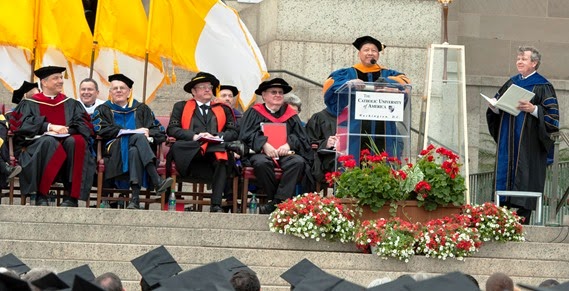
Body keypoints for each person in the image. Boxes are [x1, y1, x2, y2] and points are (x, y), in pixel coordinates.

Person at [486, 46, 559, 224]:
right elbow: (498, 104)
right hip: (507, 142)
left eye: (524, 59)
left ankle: (522, 218)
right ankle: (500, 217)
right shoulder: (510, 83)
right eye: (518, 58)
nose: (519, 61)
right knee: (504, 175)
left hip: (529, 144)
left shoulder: (544, 86)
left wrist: (534, 109)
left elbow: (553, 118)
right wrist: (494, 108)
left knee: (526, 175)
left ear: (534, 63)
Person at [9, 66, 95, 207]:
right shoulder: (29, 104)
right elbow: (18, 126)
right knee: (49, 141)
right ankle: (41, 194)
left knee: (77, 141)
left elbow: (84, 125)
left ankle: (71, 197)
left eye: (61, 77)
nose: (60, 81)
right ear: (44, 82)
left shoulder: (71, 103)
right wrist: (48, 127)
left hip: (67, 146)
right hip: (37, 148)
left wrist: (66, 130)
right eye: (56, 78)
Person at [92, 73, 173, 209]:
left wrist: (148, 131)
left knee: (134, 150)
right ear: (110, 92)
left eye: (122, 88)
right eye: (115, 88)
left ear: (129, 92)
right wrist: (126, 132)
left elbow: (159, 131)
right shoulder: (102, 109)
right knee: (138, 137)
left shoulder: (142, 109)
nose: (118, 91)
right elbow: (99, 129)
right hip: (114, 149)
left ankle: (134, 200)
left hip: (138, 151)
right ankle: (156, 180)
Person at [322, 35, 410, 158]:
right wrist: (348, 84)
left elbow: (405, 83)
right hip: (356, 127)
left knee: (383, 162)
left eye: (374, 50)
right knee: (355, 162)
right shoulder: (348, 73)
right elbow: (330, 85)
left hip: (384, 128)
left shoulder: (388, 73)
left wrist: (386, 82)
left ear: (378, 55)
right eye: (366, 50)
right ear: (359, 54)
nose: (370, 53)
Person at [166, 72, 239, 213]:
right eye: (202, 87)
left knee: (222, 157)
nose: (207, 90)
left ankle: (216, 205)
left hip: (213, 153)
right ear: (193, 91)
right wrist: (195, 136)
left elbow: (233, 132)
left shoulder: (223, 108)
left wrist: (215, 136)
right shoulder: (181, 106)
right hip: (189, 154)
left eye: (209, 87)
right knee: (179, 146)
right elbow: (172, 129)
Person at [239, 78, 314, 214]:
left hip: (285, 153)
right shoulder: (254, 112)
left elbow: (302, 137)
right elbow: (246, 134)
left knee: (298, 162)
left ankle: (275, 204)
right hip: (261, 153)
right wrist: (264, 145)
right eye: (274, 92)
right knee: (260, 163)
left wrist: (288, 144)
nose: (278, 95)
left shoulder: (290, 114)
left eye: (280, 92)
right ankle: (280, 201)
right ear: (264, 95)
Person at [306, 108, 338, 183]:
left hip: (351, 154)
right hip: (326, 158)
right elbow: (309, 142)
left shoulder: (352, 119)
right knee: (340, 162)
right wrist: (326, 143)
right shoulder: (319, 117)